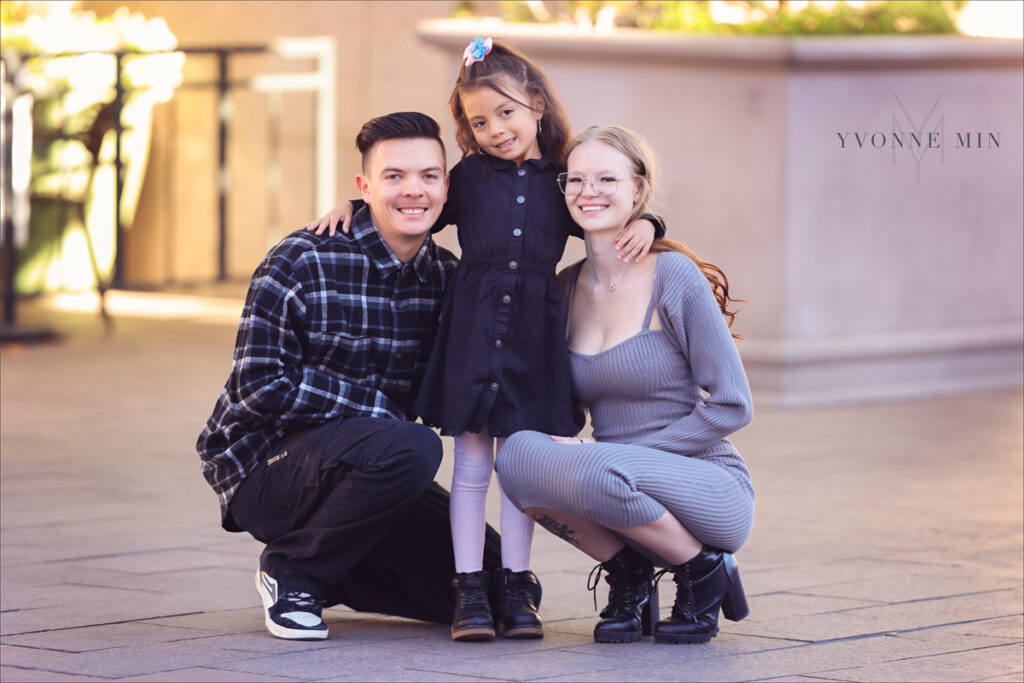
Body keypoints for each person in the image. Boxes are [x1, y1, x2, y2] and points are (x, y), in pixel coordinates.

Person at [303, 39, 665, 642]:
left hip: (535, 337)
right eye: (478, 121)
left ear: (538, 106)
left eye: (506, 112)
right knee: (471, 465)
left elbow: (610, 203)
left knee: (521, 466)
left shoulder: (563, 179)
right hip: (472, 333)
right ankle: (470, 589)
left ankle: (517, 590)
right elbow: (413, 201)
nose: (495, 129)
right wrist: (352, 202)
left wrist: (651, 223)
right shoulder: (466, 179)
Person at [196, 112, 501, 641]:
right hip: (264, 470)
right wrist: (380, 413)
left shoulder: (448, 278)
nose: (414, 190)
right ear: (364, 186)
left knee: (491, 583)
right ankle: (295, 571)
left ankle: (334, 572)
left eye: (429, 176)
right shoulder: (302, 259)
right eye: (394, 177)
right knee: (411, 446)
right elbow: (260, 386)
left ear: (446, 187)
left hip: (369, 468)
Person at [495, 125, 755, 645]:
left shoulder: (672, 276)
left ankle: (704, 569)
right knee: (517, 460)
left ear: (638, 189)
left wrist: (622, 455)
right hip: (615, 485)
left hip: (706, 484)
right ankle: (630, 572)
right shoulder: (564, 288)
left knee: (597, 466)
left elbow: (733, 405)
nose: (588, 191)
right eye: (576, 179)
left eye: (606, 178)